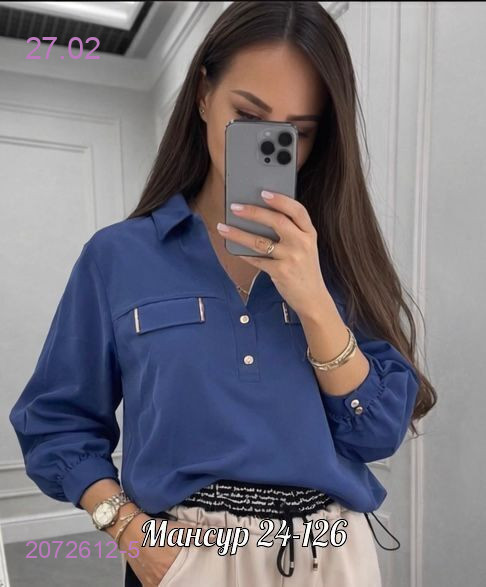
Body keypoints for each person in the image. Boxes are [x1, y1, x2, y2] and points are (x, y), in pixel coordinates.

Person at [9, 2, 437, 586]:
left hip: (328, 556)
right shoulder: (117, 257)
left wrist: (314, 299)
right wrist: (131, 533)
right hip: (185, 555)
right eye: (248, 114)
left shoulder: (338, 258)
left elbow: (377, 433)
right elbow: (56, 421)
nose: (268, 144)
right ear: (204, 95)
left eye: (297, 132)